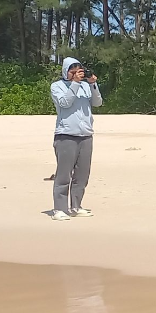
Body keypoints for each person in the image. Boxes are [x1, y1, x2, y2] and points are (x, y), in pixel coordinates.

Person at [50, 57, 103, 220]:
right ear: (66, 72)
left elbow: (98, 102)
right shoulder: (57, 86)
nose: (76, 74)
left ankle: (76, 206)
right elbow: (65, 103)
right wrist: (75, 83)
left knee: (82, 174)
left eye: (78, 70)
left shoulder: (86, 86)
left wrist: (93, 84)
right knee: (64, 174)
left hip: (86, 135)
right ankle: (59, 209)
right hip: (66, 135)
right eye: (72, 71)